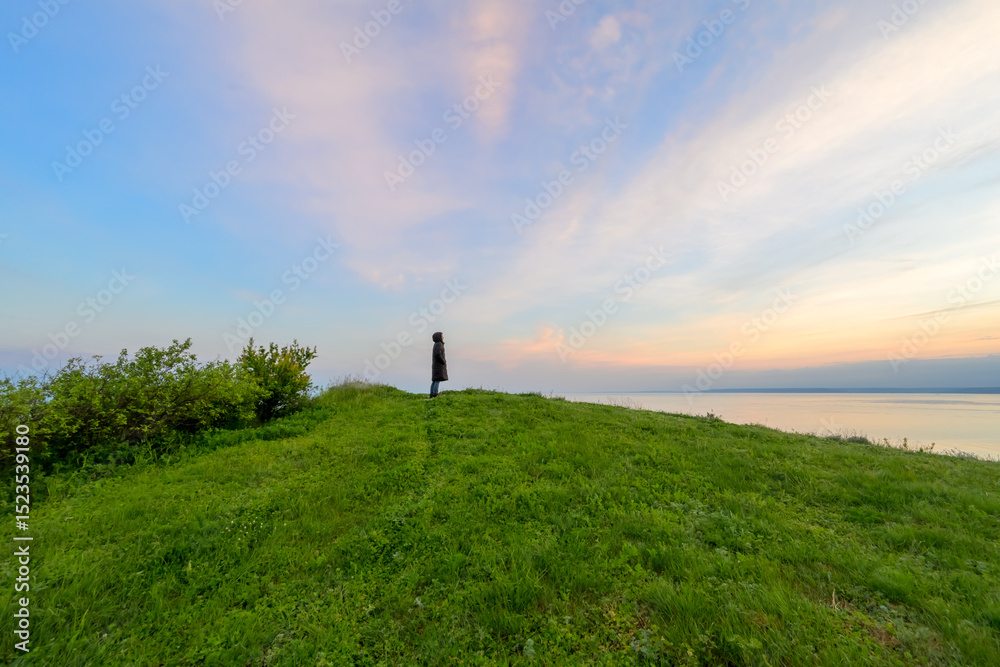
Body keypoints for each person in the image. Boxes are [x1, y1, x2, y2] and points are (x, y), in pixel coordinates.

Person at [430, 331, 448, 398]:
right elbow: (438, 354)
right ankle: (435, 394)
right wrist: (443, 361)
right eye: (442, 336)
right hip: (438, 365)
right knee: (437, 380)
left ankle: (432, 394)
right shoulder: (439, 344)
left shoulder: (436, 344)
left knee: (435, 380)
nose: (443, 337)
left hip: (436, 365)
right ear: (439, 337)